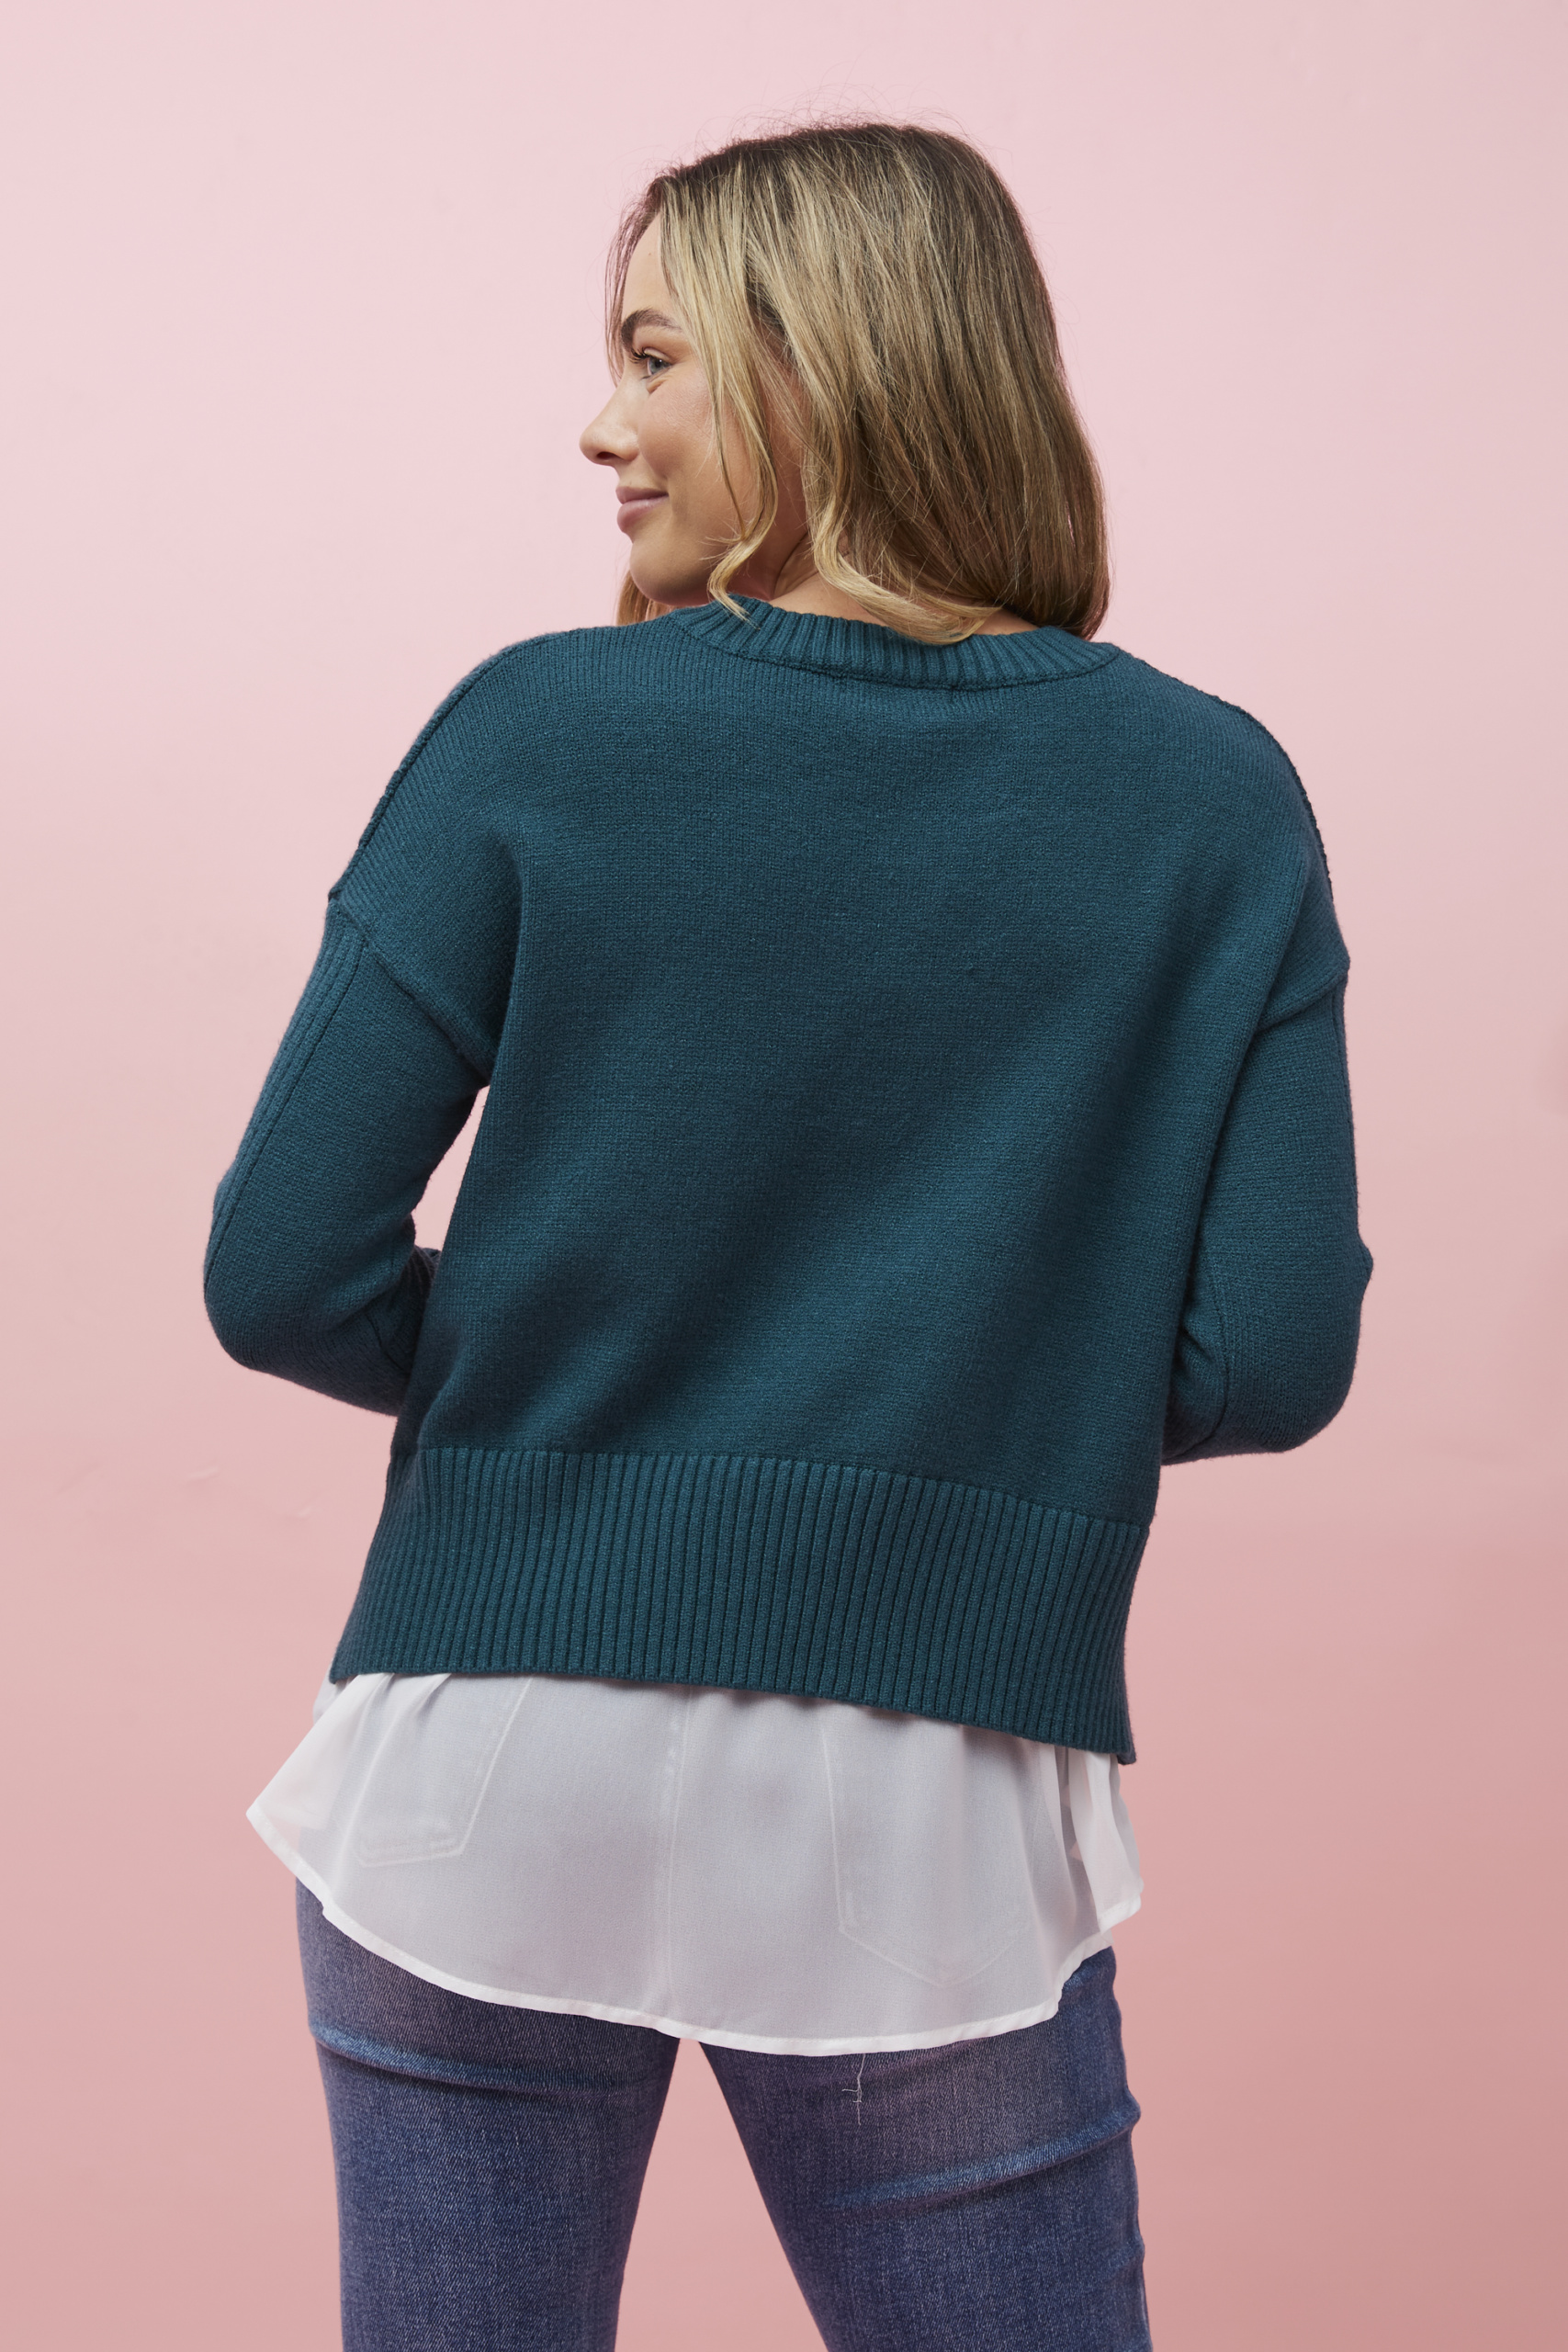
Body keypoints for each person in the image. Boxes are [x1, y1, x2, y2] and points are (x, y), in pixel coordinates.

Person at [207, 120, 1371, 2352]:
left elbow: (282, 1267)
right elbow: (1271, 1348)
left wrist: (611, 1389)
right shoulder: (1210, 798)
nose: (600, 423)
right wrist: (932, 1392)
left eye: (653, 356)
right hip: (920, 1796)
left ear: (815, 368)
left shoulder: (535, 730)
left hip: (481, 1754)